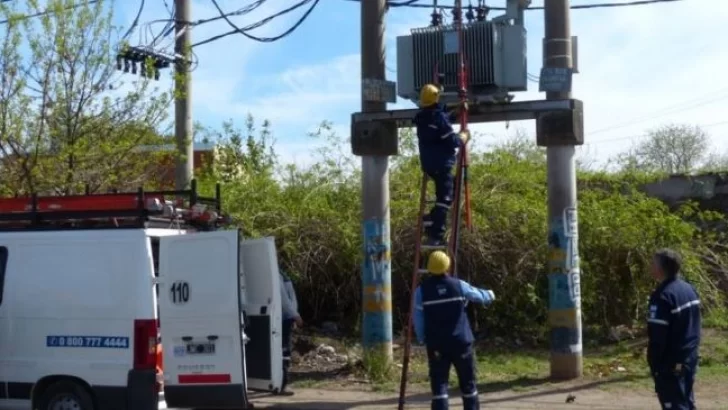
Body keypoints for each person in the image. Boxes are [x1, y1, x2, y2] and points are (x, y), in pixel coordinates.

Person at [413, 251, 495, 410]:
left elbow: (418, 319)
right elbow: (479, 296)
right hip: (461, 342)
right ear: (448, 266)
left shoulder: (421, 292)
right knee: (468, 385)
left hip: (437, 345)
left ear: (429, 268)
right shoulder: (459, 285)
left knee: (439, 387)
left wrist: (422, 338)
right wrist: (490, 295)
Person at [413, 84, 470, 247]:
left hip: (429, 165)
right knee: (445, 199)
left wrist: (454, 108)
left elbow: (439, 113)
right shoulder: (439, 119)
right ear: (436, 98)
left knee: (452, 185)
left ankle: (431, 218)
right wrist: (463, 137)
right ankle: (435, 234)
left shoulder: (422, 118)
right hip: (442, 164)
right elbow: (452, 141)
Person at [647, 249, 701, 410]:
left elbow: (658, 337)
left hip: (671, 363)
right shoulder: (688, 289)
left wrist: (656, 365)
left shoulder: (663, 296)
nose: (650, 267)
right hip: (689, 357)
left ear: (661, 269)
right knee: (686, 401)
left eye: (653, 263)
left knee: (675, 405)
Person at [279, 269, 302, 396]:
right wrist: (295, 315)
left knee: (285, 352)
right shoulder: (276, 273)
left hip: (287, 318)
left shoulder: (281, 273)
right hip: (283, 318)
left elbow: (290, 297)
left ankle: (282, 383)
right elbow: (283, 298)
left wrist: (293, 315)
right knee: (284, 352)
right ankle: (282, 384)